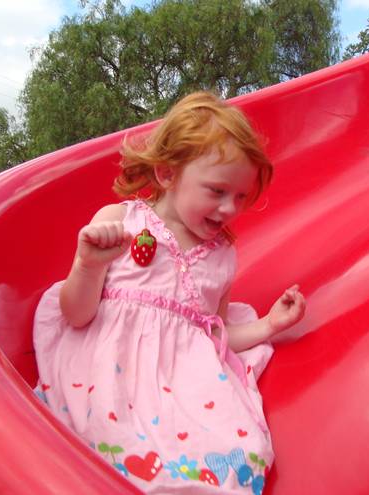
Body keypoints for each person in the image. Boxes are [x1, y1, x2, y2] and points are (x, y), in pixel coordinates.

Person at [33, 91, 306, 494]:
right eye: (217, 191)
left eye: (241, 197)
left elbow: (215, 333)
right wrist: (87, 264)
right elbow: (76, 315)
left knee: (235, 449)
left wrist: (269, 324)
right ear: (167, 174)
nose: (230, 209)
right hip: (112, 375)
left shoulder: (222, 256)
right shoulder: (119, 222)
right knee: (115, 447)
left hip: (183, 386)